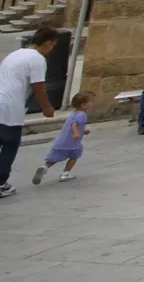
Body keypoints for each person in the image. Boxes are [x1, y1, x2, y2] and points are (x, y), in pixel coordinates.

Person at [0, 27, 57, 199]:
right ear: (47, 43)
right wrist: (46, 107)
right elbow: (38, 86)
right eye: (53, 45)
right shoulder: (37, 59)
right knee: (10, 144)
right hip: (11, 106)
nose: (52, 49)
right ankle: (1, 183)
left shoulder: (15, 54)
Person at [33, 91, 91, 184]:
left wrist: (83, 131)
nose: (91, 104)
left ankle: (44, 168)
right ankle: (65, 174)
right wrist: (76, 133)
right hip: (73, 143)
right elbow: (74, 125)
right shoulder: (82, 114)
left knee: (54, 158)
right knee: (74, 156)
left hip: (61, 142)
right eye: (89, 102)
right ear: (83, 105)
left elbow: (72, 125)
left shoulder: (73, 114)